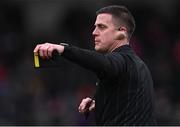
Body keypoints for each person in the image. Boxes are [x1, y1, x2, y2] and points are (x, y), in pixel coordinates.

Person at [34, 5, 156, 125]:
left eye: (101, 27)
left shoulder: (122, 60)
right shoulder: (139, 66)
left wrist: (64, 50)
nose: (94, 32)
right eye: (95, 27)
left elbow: (104, 63)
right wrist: (101, 103)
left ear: (121, 32)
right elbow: (131, 106)